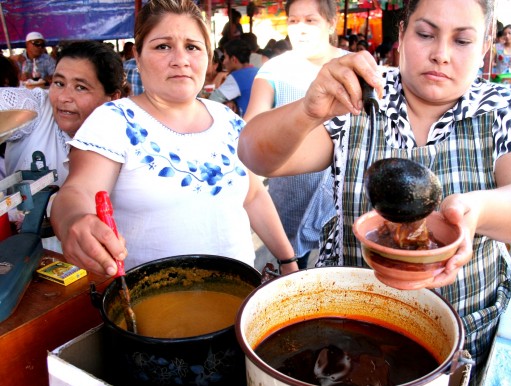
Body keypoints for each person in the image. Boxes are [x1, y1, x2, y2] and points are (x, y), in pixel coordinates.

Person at [238, 0, 511, 386]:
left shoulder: (503, 108)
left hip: (461, 332)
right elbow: (256, 155)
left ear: (485, 46)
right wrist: (308, 110)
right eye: (425, 34)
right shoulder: (358, 99)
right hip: (349, 327)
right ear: (402, 33)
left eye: (462, 40)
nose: (441, 54)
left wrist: (474, 211)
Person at [50, 0, 298, 277]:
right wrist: (74, 220)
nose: (180, 59)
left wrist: (288, 261)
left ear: (208, 58)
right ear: (139, 59)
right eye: (163, 46)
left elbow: (252, 196)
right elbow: (77, 191)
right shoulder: (113, 121)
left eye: (192, 47)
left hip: (239, 296)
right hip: (151, 303)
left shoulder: (229, 120)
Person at [244, 0, 347, 270]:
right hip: (289, 202)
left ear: (330, 22)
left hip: (341, 202)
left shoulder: (350, 68)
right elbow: (249, 129)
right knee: (293, 274)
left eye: (310, 20)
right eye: (293, 20)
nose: (300, 29)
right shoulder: (273, 71)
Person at [0, 40, 124, 186]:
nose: (63, 97)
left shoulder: (128, 138)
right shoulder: (36, 107)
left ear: (113, 98)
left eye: (80, 87)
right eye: (59, 83)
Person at [209, 39, 258, 117]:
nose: (223, 62)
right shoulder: (258, 71)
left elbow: (213, 100)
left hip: (246, 124)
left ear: (233, 59)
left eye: (225, 57)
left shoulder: (237, 77)